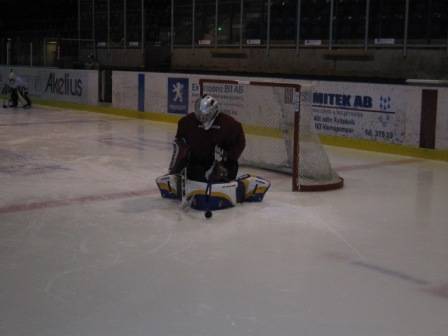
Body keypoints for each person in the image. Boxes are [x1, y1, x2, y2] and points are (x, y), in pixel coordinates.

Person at [156, 95, 270, 212]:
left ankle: (245, 185)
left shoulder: (230, 124)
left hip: (222, 164)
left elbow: (240, 143)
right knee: (195, 177)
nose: (202, 118)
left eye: (205, 115)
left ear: (214, 112)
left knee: (219, 181)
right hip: (198, 163)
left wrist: (227, 157)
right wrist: (176, 169)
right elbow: (180, 147)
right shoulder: (186, 122)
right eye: (199, 114)